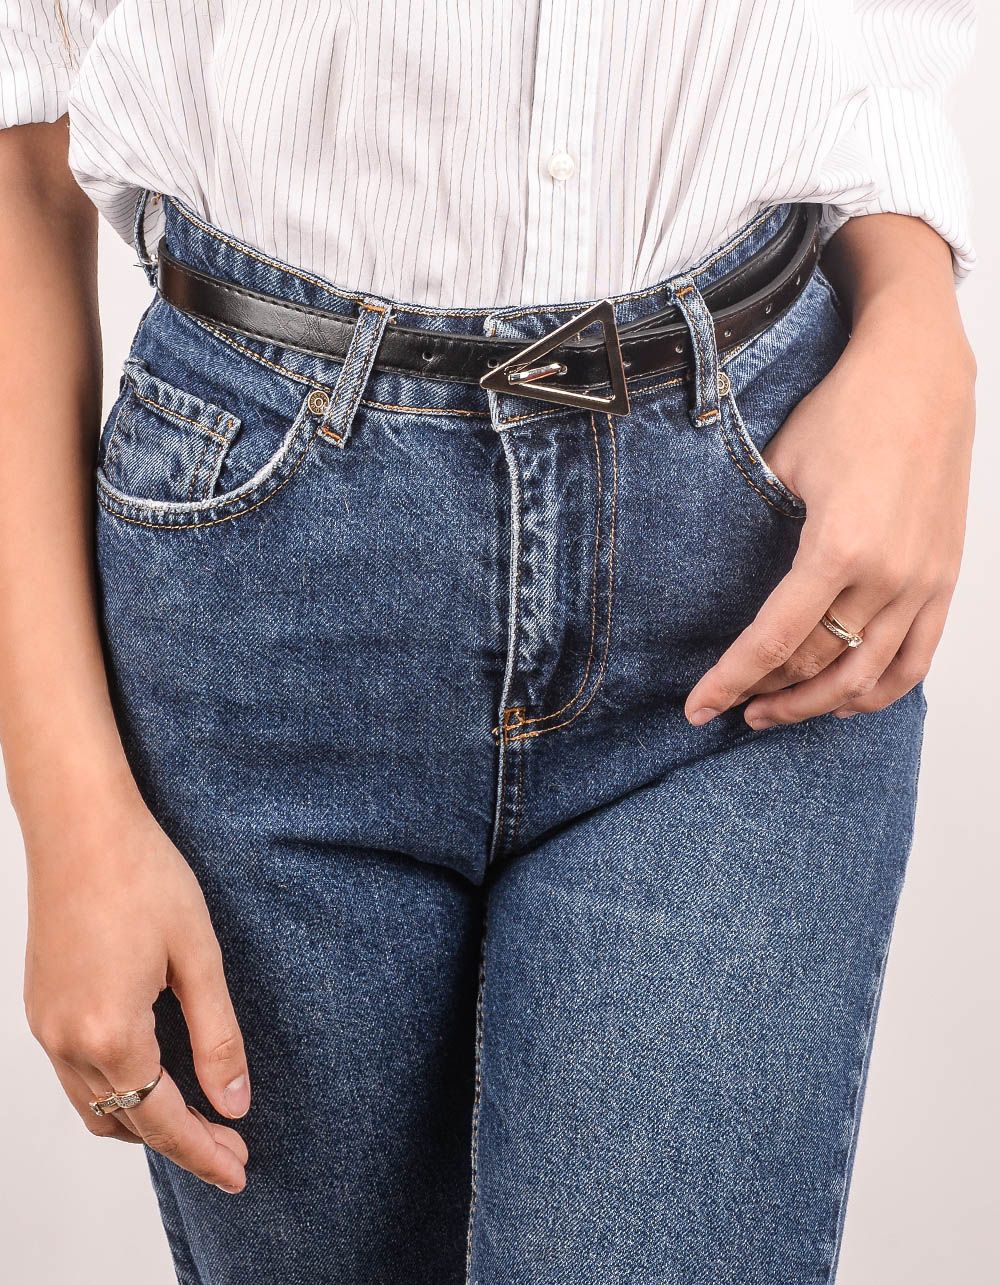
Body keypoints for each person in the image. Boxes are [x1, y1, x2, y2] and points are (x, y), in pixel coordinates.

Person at [0, 3, 977, 1283]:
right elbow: (21, 146)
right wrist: (69, 817)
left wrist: (915, 316)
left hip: (741, 570)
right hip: (267, 598)